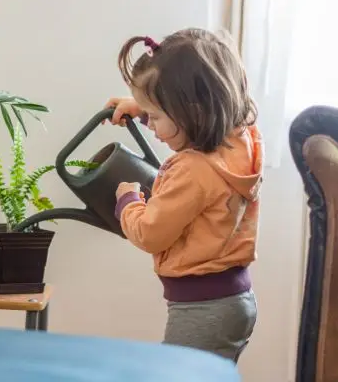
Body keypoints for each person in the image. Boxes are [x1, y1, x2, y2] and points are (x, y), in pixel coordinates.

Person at [107, 28, 262, 362]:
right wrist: (144, 108)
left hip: (202, 310)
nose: (152, 126)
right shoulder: (241, 139)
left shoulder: (193, 170)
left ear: (193, 113)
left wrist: (128, 202)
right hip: (233, 300)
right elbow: (212, 109)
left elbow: (150, 234)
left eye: (158, 116)